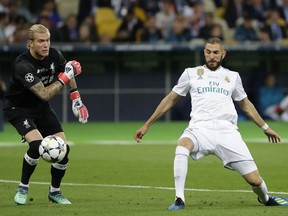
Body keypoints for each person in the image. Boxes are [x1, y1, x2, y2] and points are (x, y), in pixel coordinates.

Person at [134, 37, 288, 210]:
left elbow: (246, 106)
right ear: (204, 53)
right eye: (208, 52)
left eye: (216, 52)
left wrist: (265, 128)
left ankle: (266, 198)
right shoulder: (191, 73)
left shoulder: (232, 76)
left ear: (223, 54)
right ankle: (179, 199)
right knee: (182, 145)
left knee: (255, 180)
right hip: (200, 128)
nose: (212, 56)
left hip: (227, 132)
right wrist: (147, 124)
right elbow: (170, 99)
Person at [3, 24, 89, 205]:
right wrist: (64, 78)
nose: (45, 45)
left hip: (41, 108)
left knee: (64, 150)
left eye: (48, 40)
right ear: (30, 43)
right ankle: (23, 187)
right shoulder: (22, 65)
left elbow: (68, 71)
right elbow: (44, 93)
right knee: (36, 146)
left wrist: (76, 98)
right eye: (41, 41)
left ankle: (54, 192)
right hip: (18, 109)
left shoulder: (54, 55)